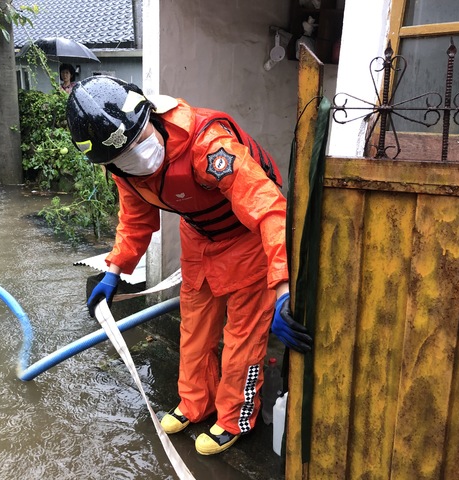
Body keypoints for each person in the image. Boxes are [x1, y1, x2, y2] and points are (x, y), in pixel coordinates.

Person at [66, 76, 312, 455]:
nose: (136, 156)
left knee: (242, 339)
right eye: (123, 155)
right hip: (199, 239)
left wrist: (283, 289)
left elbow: (268, 208)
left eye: (137, 142)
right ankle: (195, 402)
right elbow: (135, 221)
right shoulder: (125, 171)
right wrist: (115, 270)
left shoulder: (207, 143)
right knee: (194, 328)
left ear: (151, 115)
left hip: (247, 239)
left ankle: (234, 419)